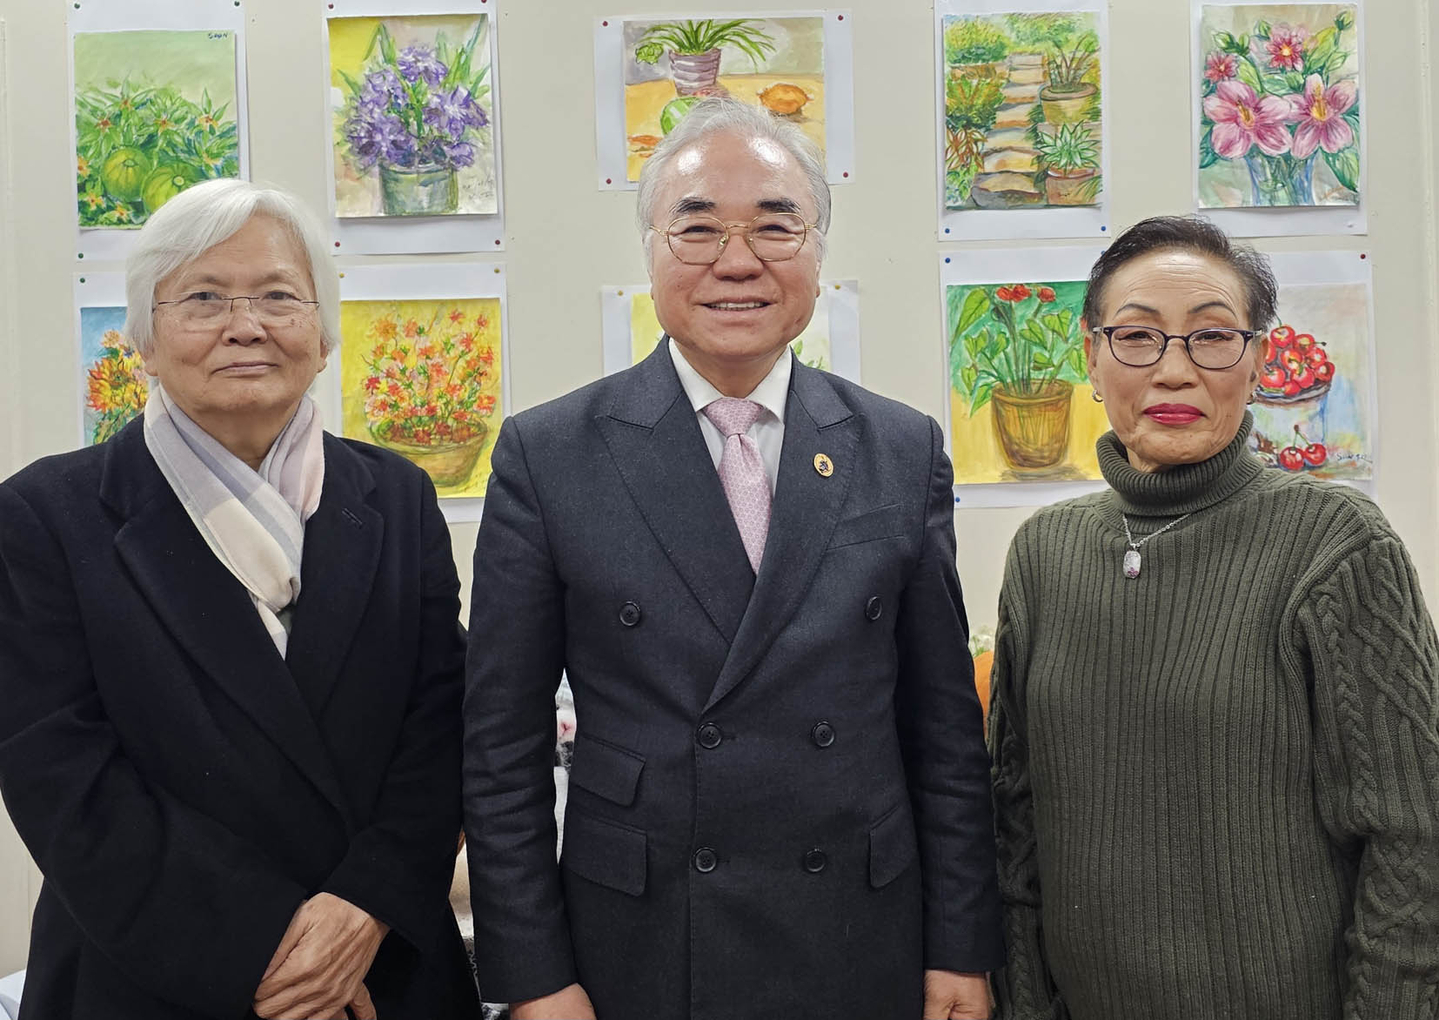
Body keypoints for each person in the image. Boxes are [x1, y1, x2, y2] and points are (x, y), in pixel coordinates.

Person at [463, 98, 1004, 1020]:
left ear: (818, 253)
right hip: (642, 936)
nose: (737, 260)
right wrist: (534, 979)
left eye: (775, 226)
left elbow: (943, 729)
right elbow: (500, 746)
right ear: (649, 251)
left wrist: (960, 947)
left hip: (856, 927)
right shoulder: (549, 454)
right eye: (698, 227)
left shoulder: (898, 446)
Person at [0, 179, 480, 1020]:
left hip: (381, 964)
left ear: (322, 337)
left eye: (278, 297)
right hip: (152, 971)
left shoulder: (396, 496)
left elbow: (441, 725)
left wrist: (363, 908)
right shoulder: (44, 515)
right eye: (203, 298)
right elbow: (61, 776)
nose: (245, 324)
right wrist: (274, 947)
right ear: (143, 342)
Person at [989, 216, 1439, 1019]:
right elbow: (1015, 829)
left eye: (1210, 338)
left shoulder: (1335, 545)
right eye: (1135, 336)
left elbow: (1413, 838)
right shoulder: (1042, 555)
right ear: (1090, 358)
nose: (1173, 371)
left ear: (1256, 361)